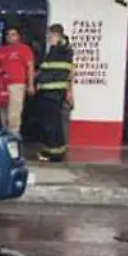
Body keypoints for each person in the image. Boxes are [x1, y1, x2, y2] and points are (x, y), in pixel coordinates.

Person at [35, 23, 74, 162]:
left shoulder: (62, 49)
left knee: (51, 124)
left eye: (50, 36)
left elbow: (54, 70)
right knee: (51, 123)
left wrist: (39, 78)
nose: (48, 39)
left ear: (57, 35)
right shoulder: (56, 50)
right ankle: (52, 150)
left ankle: (55, 154)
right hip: (50, 91)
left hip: (53, 92)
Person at [0, 26, 35, 135]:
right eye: (8, 34)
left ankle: (14, 136)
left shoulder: (24, 49)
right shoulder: (1, 50)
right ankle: (4, 134)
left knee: (14, 113)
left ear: (18, 36)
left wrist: (30, 84)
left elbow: (30, 67)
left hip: (17, 84)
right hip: (2, 85)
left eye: (13, 34)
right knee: (3, 112)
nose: (10, 37)